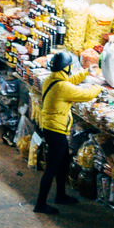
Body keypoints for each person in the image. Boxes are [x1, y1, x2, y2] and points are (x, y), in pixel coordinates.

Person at [33, 51, 98, 215]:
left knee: (63, 162)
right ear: (67, 67)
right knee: (53, 167)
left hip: (51, 128)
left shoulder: (52, 79)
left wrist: (86, 73)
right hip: (56, 131)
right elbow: (85, 94)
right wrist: (99, 87)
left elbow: (70, 81)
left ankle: (60, 195)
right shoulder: (62, 87)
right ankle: (40, 204)